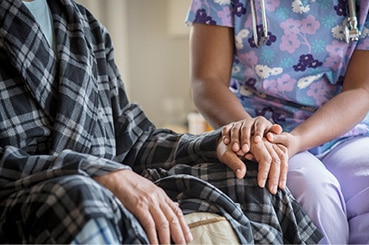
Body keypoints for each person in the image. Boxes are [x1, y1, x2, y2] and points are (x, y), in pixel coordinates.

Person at [0, 0, 325, 244]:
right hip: (38, 193)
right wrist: (98, 173)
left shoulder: (83, 26)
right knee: (78, 196)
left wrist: (217, 142)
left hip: (111, 181)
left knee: (249, 175)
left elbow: (137, 139)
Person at [186, 0, 369, 244]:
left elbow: (362, 88)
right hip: (265, 135)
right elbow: (207, 80)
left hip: (351, 130)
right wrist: (251, 133)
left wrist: (298, 139)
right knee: (311, 193)